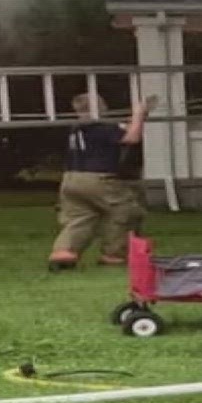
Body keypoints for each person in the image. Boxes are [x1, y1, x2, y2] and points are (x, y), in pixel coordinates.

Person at [48, 92, 154, 272]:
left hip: (71, 178)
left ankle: (64, 251)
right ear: (99, 107)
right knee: (124, 211)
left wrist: (133, 122)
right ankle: (114, 254)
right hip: (98, 178)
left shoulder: (77, 127)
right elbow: (131, 138)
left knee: (79, 217)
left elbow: (123, 132)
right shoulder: (101, 126)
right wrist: (138, 115)